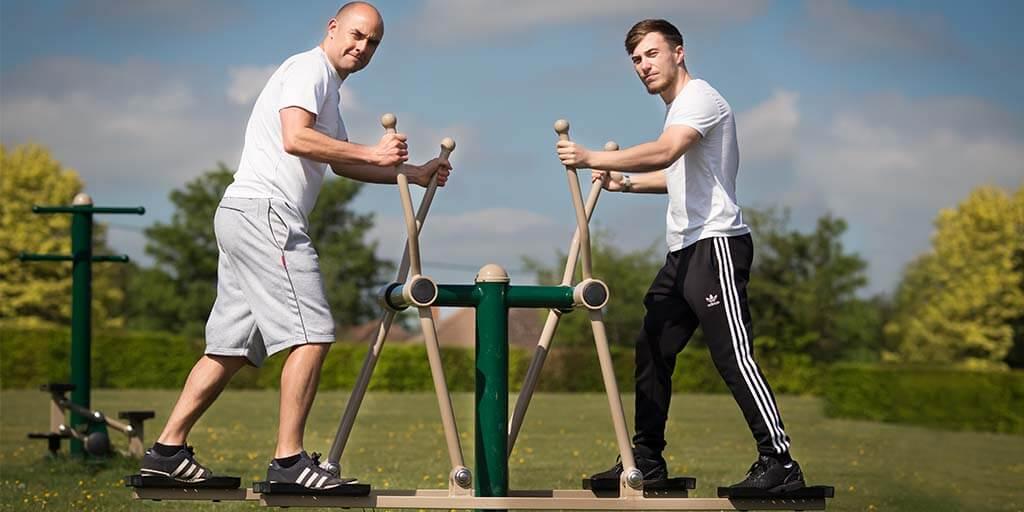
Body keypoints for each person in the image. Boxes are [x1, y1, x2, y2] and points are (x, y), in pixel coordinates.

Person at [139, 2, 451, 490]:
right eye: (355, 34)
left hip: (243, 212)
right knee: (312, 333)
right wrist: (374, 150)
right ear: (332, 28)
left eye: (372, 43)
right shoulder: (310, 69)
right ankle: (289, 464)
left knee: (231, 348)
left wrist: (408, 174)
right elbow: (296, 138)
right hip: (267, 213)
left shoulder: (327, 89)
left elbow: (342, 162)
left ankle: (166, 452)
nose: (362, 47)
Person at [555, 19, 804, 492]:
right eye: (635, 60)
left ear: (678, 52)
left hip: (716, 246)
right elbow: (678, 177)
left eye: (651, 54)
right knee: (652, 346)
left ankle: (780, 462)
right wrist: (623, 182)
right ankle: (646, 459)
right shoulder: (678, 110)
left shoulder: (700, 99)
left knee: (732, 354)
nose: (643, 66)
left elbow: (666, 153)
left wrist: (591, 158)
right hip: (683, 252)